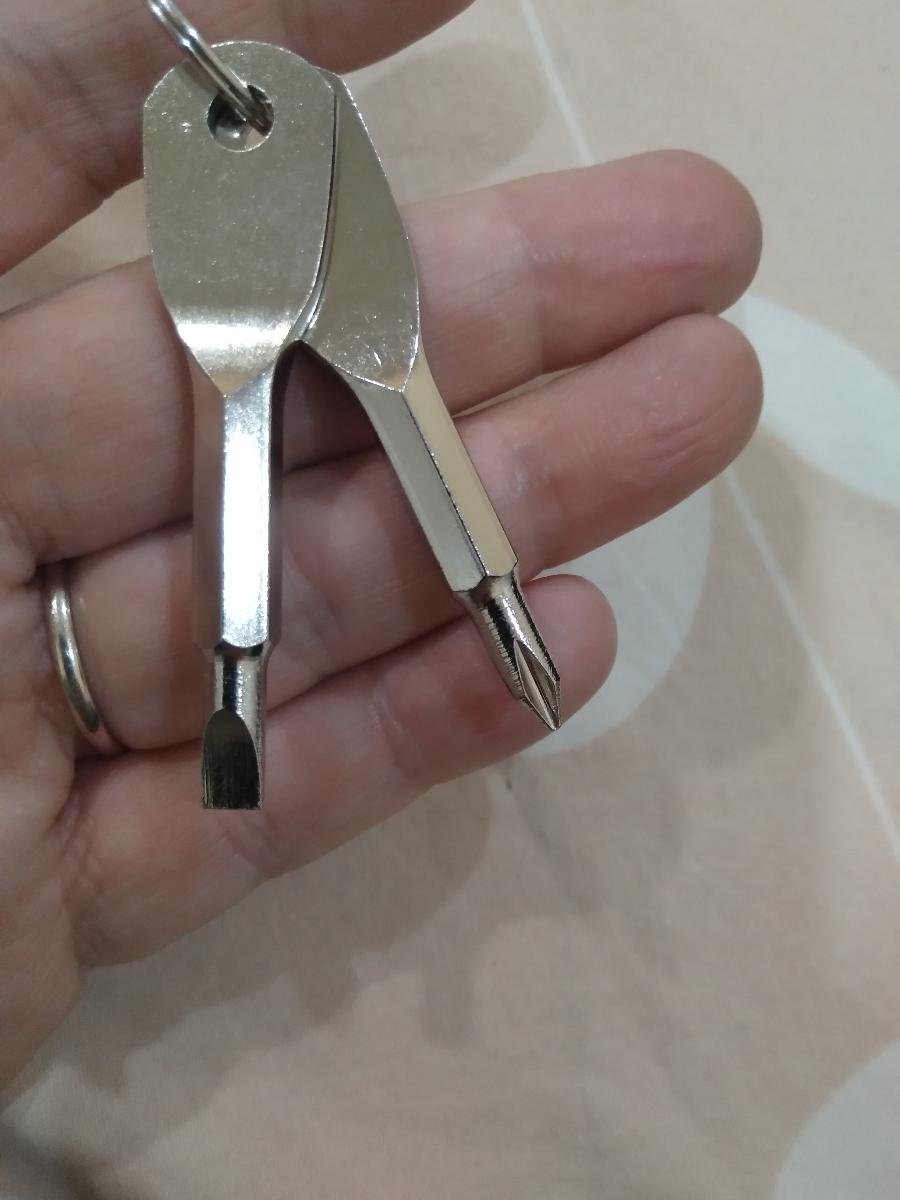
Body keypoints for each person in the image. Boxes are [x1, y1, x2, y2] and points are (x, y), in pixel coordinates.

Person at [0, 0, 761, 1083]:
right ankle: (240, 716)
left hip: (346, 302)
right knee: (255, 400)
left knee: (377, 386)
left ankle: (374, 672)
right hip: (245, 321)